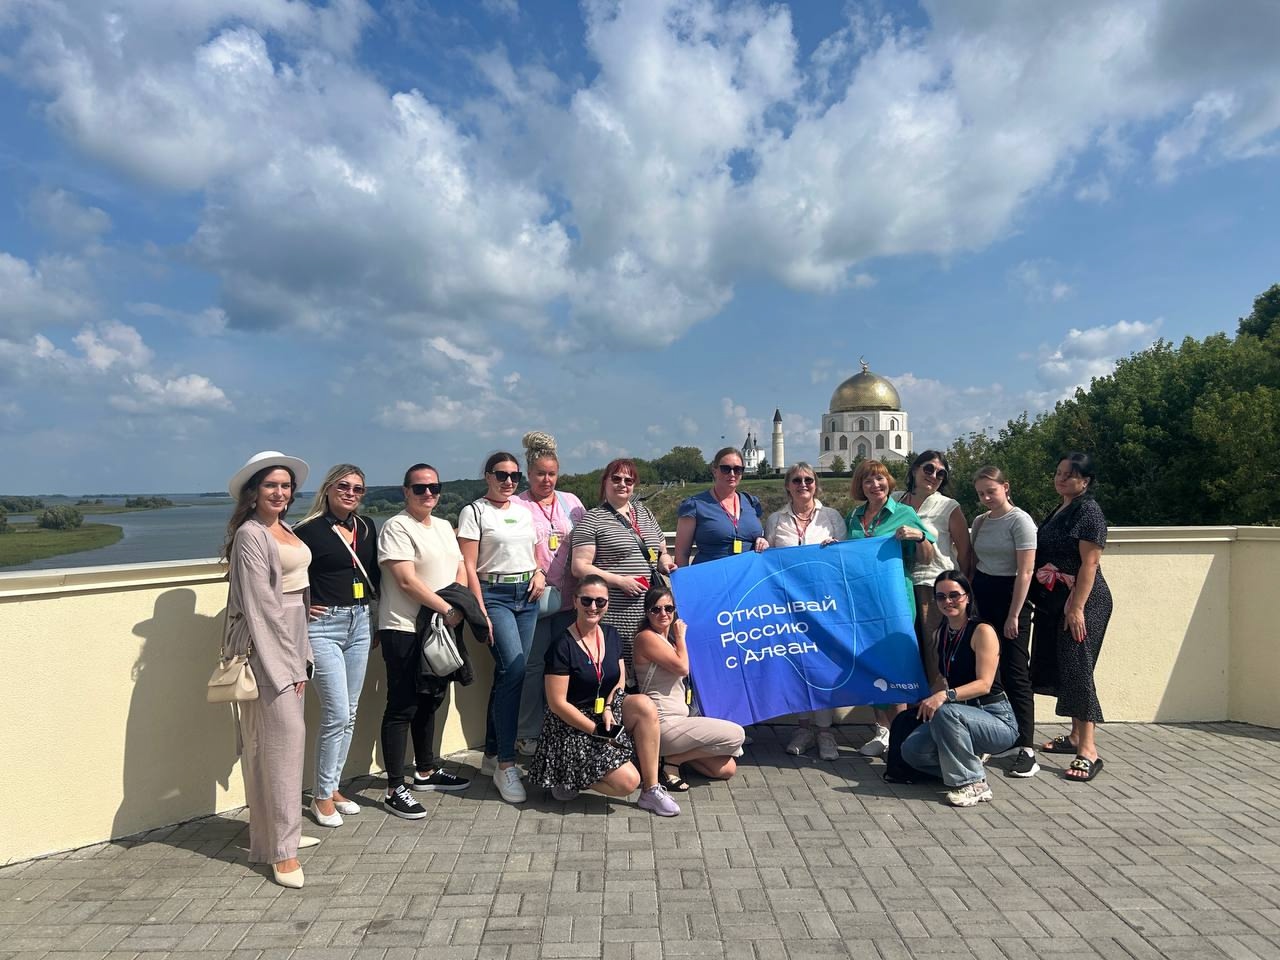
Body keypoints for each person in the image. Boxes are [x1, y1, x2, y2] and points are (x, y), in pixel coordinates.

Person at [221, 450, 315, 889]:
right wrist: (289, 666)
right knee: (281, 745)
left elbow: (297, 591)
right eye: (271, 485)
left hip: (294, 639)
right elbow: (262, 607)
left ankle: (276, 835)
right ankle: (282, 852)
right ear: (253, 491)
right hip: (269, 648)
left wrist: (304, 651)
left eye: (285, 486)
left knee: (283, 745)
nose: (280, 492)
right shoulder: (250, 535)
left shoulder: (285, 528)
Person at [527, 576, 681, 816]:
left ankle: (651, 790)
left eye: (600, 601)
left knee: (644, 705)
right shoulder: (562, 645)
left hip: (604, 713)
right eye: (586, 600)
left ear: (607, 604)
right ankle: (566, 776)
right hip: (571, 724)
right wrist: (596, 731)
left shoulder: (611, 634)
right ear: (575, 601)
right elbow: (557, 704)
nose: (593, 607)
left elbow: (619, 679)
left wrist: (609, 707)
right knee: (628, 782)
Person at [376, 463, 472, 820]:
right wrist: (447, 608)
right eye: (420, 488)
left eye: (434, 487)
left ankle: (426, 770)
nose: (428, 493)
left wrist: (457, 603)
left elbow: (460, 567)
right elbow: (405, 580)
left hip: (440, 627)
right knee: (402, 705)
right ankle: (393, 787)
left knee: (430, 699)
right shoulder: (396, 526)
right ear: (406, 491)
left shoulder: (445, 526)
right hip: (404, 628)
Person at [293, 464, 380, 829]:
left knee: (351, 712)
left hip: (360, 621)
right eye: (343, 486)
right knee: (337, 713)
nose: (350, 493)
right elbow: (286, 574)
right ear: (328, 489)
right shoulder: (307, 530)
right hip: (323, 627)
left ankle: (332, 786)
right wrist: (301, 605)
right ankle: (321, 796)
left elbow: (374, 574)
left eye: (358, 489)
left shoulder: (366, 527)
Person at [458, 451, 542, 804]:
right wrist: (479, 608)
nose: (508, 482)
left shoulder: (523, 512)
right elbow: (468, 564)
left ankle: (492, 754)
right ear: (487, 476)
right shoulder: (474, 512)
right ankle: (507, 764)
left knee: (509, 675)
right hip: (494, 595)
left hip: (527, 596)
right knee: (515, 668)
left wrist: (539, 572)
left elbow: (533, 554)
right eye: (501, 475)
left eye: (514, 476)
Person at [900, 571, 1019, 806]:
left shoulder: (982, 631)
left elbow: (984, 684)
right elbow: (941, 680)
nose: (948, 601)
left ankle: (974, 784)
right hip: (958, 717)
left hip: (995, 717)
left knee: (946, 711)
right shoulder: (940, 633)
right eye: (941, 597)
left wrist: (944, 696)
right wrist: (926, 700)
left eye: (954, 595)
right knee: (911, 750)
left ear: (968, 597)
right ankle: (967, 765)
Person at [845, 458, 936, 758]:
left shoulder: (905, 513)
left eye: (880, 479)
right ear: (860, 486)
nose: (875, 485)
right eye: (868, 480)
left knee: (896, 665)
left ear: (889, 482)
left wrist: (919, 536)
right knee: (871, 664)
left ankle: (901, 735)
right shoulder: (854, 516)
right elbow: (849, 557)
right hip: (863, 604)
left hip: (895, 601)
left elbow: (927, 556)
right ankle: (881, 731)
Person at [1032, 453, 1112, 783]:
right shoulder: (1062, 508)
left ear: (1085, 481)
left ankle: (1088, 750)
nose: (1061, 478)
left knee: (1078, 667)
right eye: (1059, 473)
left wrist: (1077, 607)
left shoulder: (1088, 511)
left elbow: (1089, 564)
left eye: (1069, 475)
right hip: (1058, 600)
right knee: (1066, 667)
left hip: (1084, 601)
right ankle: (1076, 736)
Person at [762, 462, 846, 761]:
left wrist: (836, 548)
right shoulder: (776, 519)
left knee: (822, 664)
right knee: (796, 664)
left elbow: (845, 559)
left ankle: (825, 732)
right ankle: (803, 728)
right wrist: (762, 545)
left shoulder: (831, 517)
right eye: (796, 480)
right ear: (788, 485)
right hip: (788, 606)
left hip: (823, 604)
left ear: (816, 483)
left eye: (808, 479)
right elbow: (767, 560)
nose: (803, 484)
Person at [514, 432, 585, 757]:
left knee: (565, 666)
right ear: (529, 474)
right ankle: (527, 731)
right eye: (540, 473)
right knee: (533, 667)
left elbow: (586, 540)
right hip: (535, 600)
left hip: (570, 601)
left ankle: (560, 726)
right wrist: (534, 569)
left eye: (552, 473)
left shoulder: (572, 503)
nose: (547, 480)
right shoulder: (518, 505)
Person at [632, 586, 745, 788]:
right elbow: (682, 667)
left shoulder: (669, 641)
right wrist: (681, 638)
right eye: (656, 609)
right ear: (647, 613)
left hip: (682, 722)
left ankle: (673, 759)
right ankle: (669, 759)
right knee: (737, 735)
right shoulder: (646, 638)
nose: (663, 614)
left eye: (668, 608)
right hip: (662, 724)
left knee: (726, 769)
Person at [569, 458, 675, 674]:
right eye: (616, 479)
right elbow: (579, 567)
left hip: (652, 611)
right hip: (617, 613)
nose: (622, 484)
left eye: (629, 480)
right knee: (620, 670)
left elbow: (661, 551)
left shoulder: (645, 513)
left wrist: (665, 562)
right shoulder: (593, 519)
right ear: (605, 482)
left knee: (652, 670)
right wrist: (619, 581)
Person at [969, 466, 1039, 777]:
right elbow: (975, 563)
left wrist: (1014, 614)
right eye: (981, 493)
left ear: (1005, 487)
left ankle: (1026, 747)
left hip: (1012, 599)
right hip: (983, 597)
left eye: (991, 491)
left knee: (1015, 673)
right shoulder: (980, 521)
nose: (986, 497)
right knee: (987, 672)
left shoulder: (1020, 520)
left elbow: (1026, 571)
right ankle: (995, 737)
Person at [893, 451, 971, 651]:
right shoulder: (894, 500)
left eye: (941, 473)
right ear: (914, 470)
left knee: (932, 647)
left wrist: (965, 589)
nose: (934, 476)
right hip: (898, 582)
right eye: (928, 469)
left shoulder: (948, 506)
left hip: (933, 585)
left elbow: (964, 553)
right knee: (902, 645)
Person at [674, 447, 767, 566]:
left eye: (738, 469)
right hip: (712, 574)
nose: (732, 474)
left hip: (748, 573)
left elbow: (760, 535)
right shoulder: (694, 505)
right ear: (714, 471)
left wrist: (762, 540)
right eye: (725, 469)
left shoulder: (751, 502)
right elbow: (681, 553)